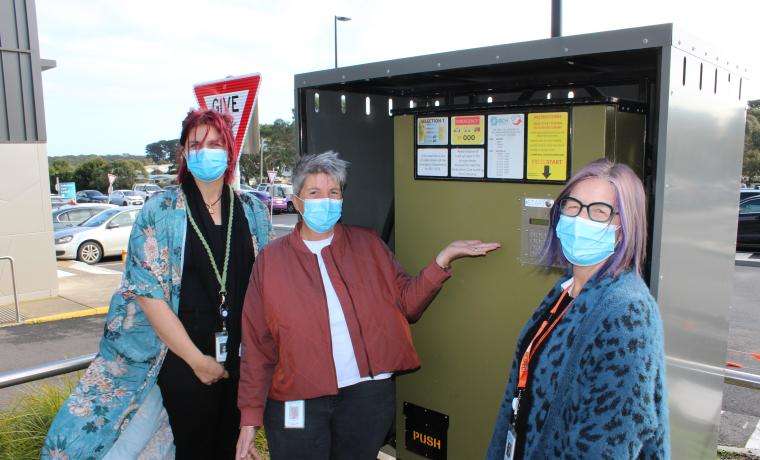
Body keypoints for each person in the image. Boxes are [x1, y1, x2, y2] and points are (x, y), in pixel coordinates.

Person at [235, 151, 500, 460]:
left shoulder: (369, 245)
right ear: (297, 201)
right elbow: (256, 346)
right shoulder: (272, 261)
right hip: (298, 400)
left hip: (366, 397)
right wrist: (249, 420)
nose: (326, 200)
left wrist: (442, 261)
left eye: (333, 192)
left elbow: (407, 304)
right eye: (314, 192)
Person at [42, 109, 273, 459]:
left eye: (214, 143)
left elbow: (265, 287)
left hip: (240, 362)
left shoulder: (253, 210)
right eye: (196, 144)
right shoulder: (161, 209)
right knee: (191, 448)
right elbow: (148, 293)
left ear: (229, 150)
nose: (205, 150)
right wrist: (197, 361)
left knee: (231, 449)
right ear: (183, 153)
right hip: (181, 361)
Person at [486, 159, 669, 460]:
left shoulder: (627, 313)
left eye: (599, 211)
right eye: (572, 206)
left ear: (624, 228)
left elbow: (607, 443)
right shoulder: (566, 290)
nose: (580, 219)